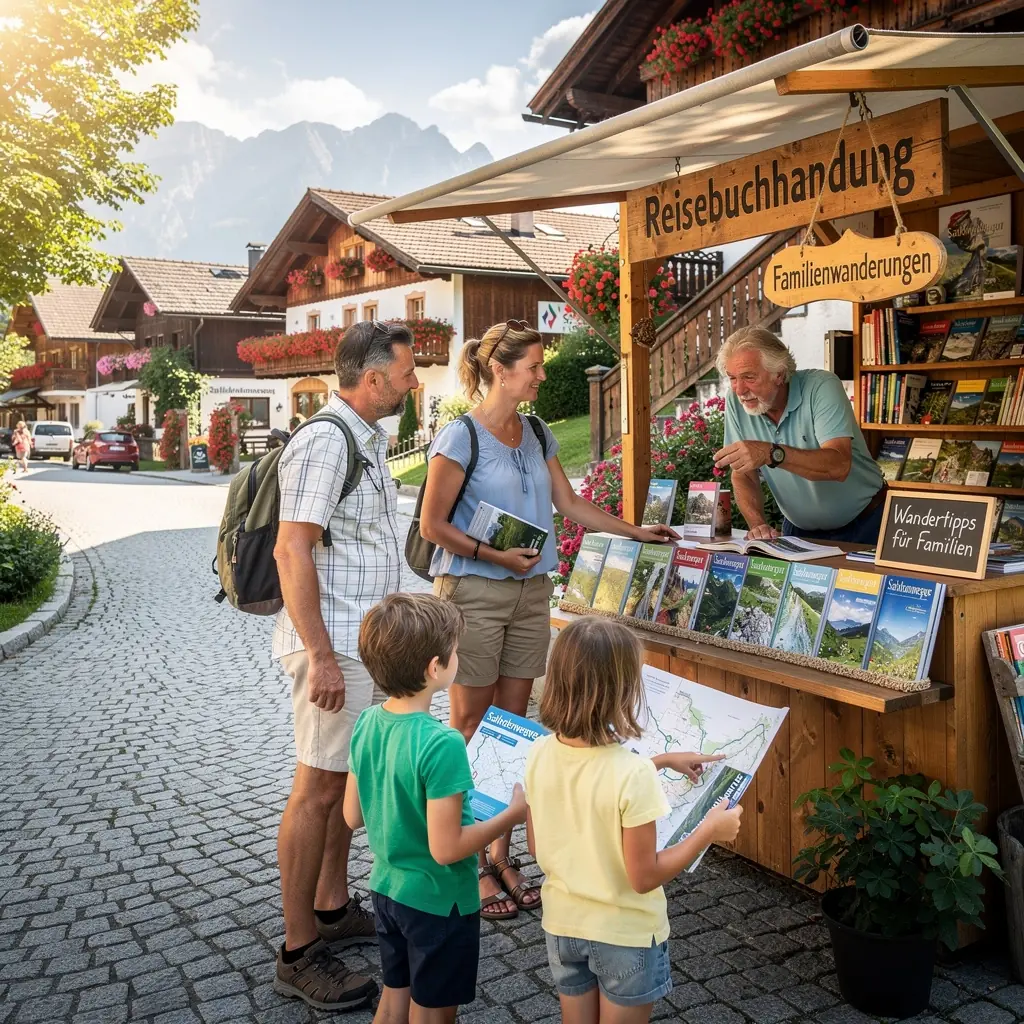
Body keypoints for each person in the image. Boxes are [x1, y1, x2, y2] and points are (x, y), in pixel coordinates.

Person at [419, 318, 678, 921]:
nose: (541, 375)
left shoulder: (536, 432)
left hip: (532, 592)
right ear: (500, 372)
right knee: (469, 727)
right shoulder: (460, 437)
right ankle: (465, 863)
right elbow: (433, 525)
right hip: (474, 591)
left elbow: (570, 503)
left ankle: (499, 855)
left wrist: (635, 531)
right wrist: (493, 554)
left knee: (514, 727)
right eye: (534, 367)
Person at [272, 321, 419, 1012]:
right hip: (331, 646)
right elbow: (290, 552)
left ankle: (331, 906)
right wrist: (323, 656)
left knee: (342, 783)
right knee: (318, 790)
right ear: (372, 378)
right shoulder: (327, 441)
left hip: (359, 644)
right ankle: (299, 950)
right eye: (407, 372)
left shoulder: (364, 440)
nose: (415, 382)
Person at [526, 618, 743, 1023]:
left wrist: (658, 762)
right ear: (624, 691)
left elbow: (540, 845)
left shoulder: (539, 752)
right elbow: (643, 877)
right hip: (624, 937)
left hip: (562, 927)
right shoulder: (632, 774)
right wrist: (710, 831)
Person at [345, 593, 528, 1024]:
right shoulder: (442, 742)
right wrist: (511, 815)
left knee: (393, 1003)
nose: (458, 656)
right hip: (439, 902)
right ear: (435, 667)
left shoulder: (367, 722)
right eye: (456, 651)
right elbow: (447, 849)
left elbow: (352, 816)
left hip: (387, 891)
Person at [713, 326, 886, 545]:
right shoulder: (736, 401)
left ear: (780, 374)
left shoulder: (821, 386)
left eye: (749, 377)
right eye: (732, 378)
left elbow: (838, 466)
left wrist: (770, 453)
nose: (739, 389)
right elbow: (743, 473)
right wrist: (758, 527)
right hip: (799, 531)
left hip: (867, 523)